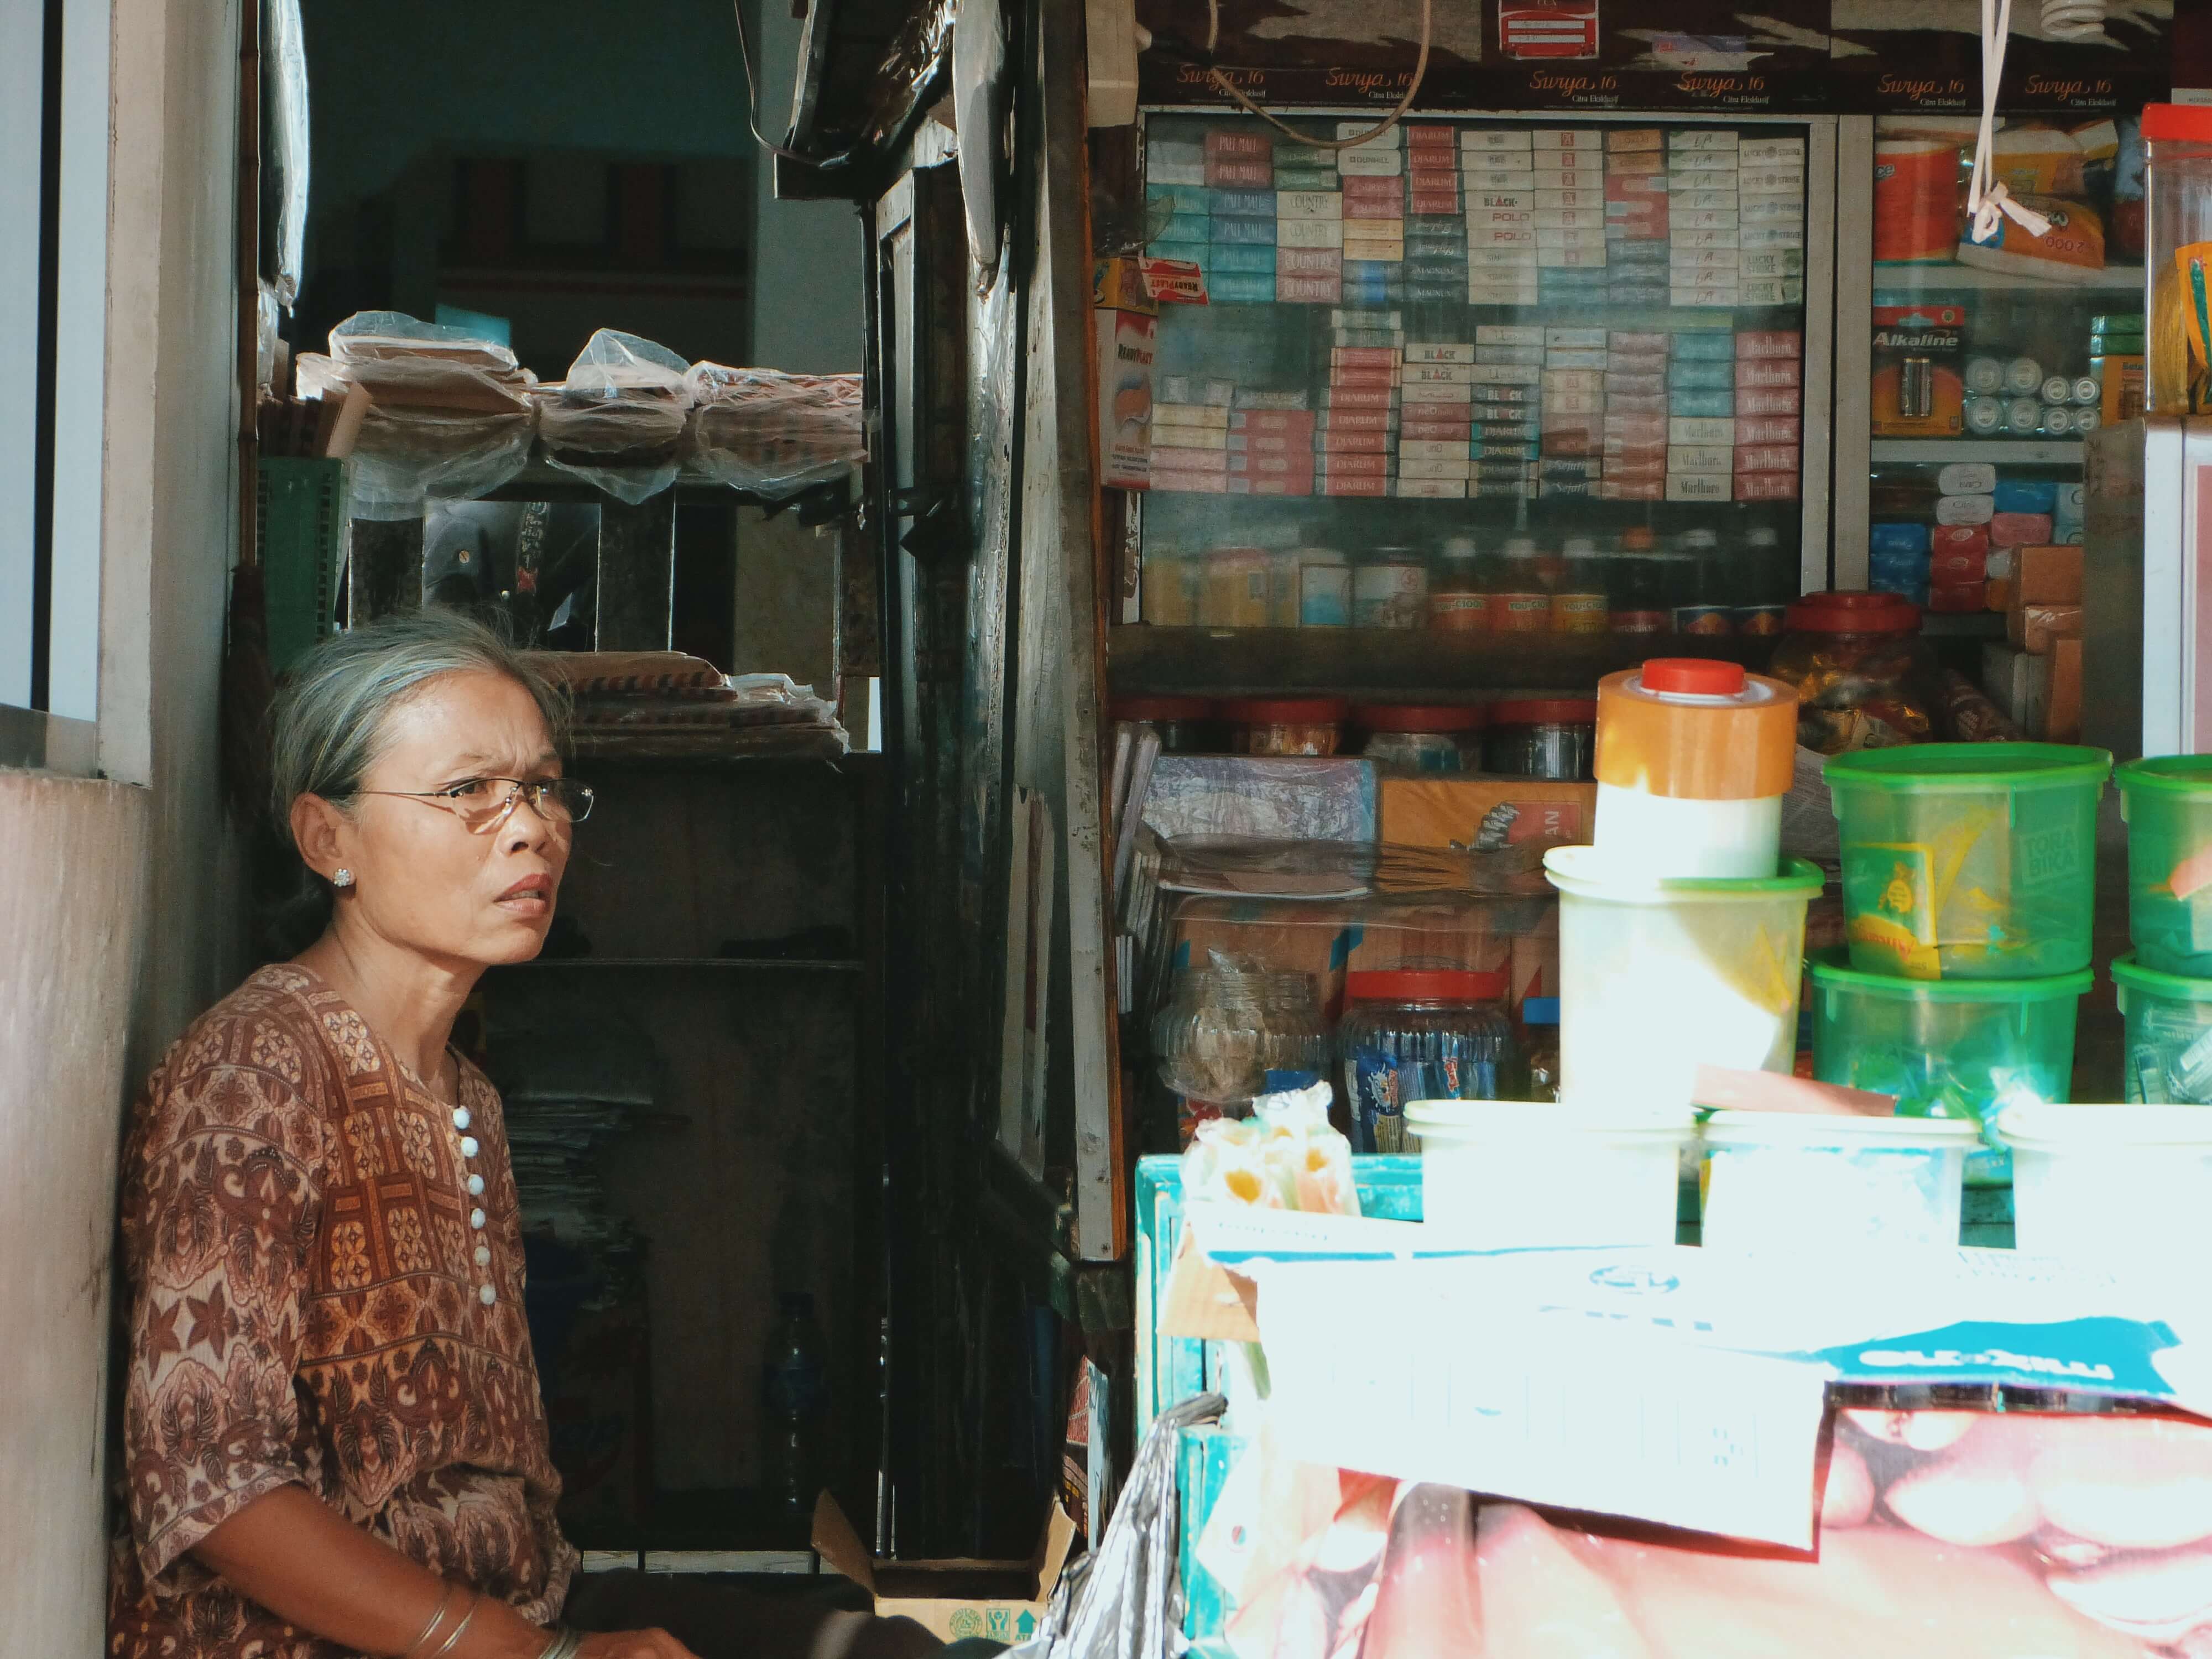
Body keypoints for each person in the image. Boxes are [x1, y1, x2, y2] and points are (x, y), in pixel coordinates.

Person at [107, 611, 940, 1659]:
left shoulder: (467, 1095)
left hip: (519, 1620)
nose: (530, 827)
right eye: (467, 793)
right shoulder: (258, 1072)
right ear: (330, 839)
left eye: (545, 787)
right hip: (327, 1643)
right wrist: (532, 1654)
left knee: (885, 1649)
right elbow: (211, 1486)